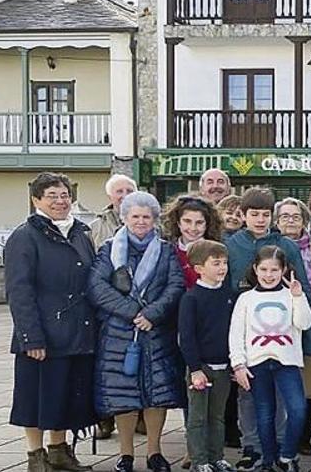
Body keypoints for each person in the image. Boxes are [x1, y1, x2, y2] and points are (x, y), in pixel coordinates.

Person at [6, 173, 100, 472]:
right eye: (52, 196)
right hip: (43, 335)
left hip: (77, 333)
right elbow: (19, 291)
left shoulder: (80, 233)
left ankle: (59, 451)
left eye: (64, 195)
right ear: (36, 200)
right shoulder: (25, 236)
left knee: (66, 397)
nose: (61, 201)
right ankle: (36, 456)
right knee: (35, 400)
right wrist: (30, 338)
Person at [88, 191, 188, 472]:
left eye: (147, 216)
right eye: (135, 216)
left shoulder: (165, 249)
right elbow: (97, 287)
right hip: (119, 333)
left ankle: (155, 452)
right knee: (124, 396)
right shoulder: (109, 248)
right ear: (124, 218)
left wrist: (152, 314)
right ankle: (125, 454)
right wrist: (133, 312)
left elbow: (175, 285)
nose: (141, 221)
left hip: (157, 332)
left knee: (157, 394)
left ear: (155, 219)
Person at [226, 189, 311, 470]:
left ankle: (278, 448)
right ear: (243, 215)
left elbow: (303, 291)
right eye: (254, 214)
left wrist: (310, 342)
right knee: (250, 399)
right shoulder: (232, 244)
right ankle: (253, 447)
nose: (260, 220)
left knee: (284, 403)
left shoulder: (285, 245)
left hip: (285, 340)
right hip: (247, 338)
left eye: (265, 214)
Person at [274, 198, 311, 456]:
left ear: (305, 221)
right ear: (276, 222)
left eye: (295, 217)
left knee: (309, 386)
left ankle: (302, 438)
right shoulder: (270, 249)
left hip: (310, 327)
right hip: (276, 329)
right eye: (284, 216)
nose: (290, 221)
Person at [179, 240, 237, 472]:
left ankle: (217, 456)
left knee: (217, 416)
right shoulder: (191, 298)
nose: (222, 267)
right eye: (216, 263)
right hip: (201, 368)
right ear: (199, 268)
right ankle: (199, 460)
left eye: (224, 262)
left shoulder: (229, 295)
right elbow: (187, 337)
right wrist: (195, 369)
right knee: (197, 418)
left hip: (224, 367)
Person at [163, 195, 224, 287]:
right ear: (178, 223)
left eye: (199, 222)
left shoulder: (217, 251)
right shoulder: (167, 250)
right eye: (187, 221)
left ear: (207, 225)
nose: (193, 228)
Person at [89, 173, 137, 249]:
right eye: (119, 191)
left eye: (129, 191)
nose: (125, 196)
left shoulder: (149, 225)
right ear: (110, 197)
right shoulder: (95, 228)